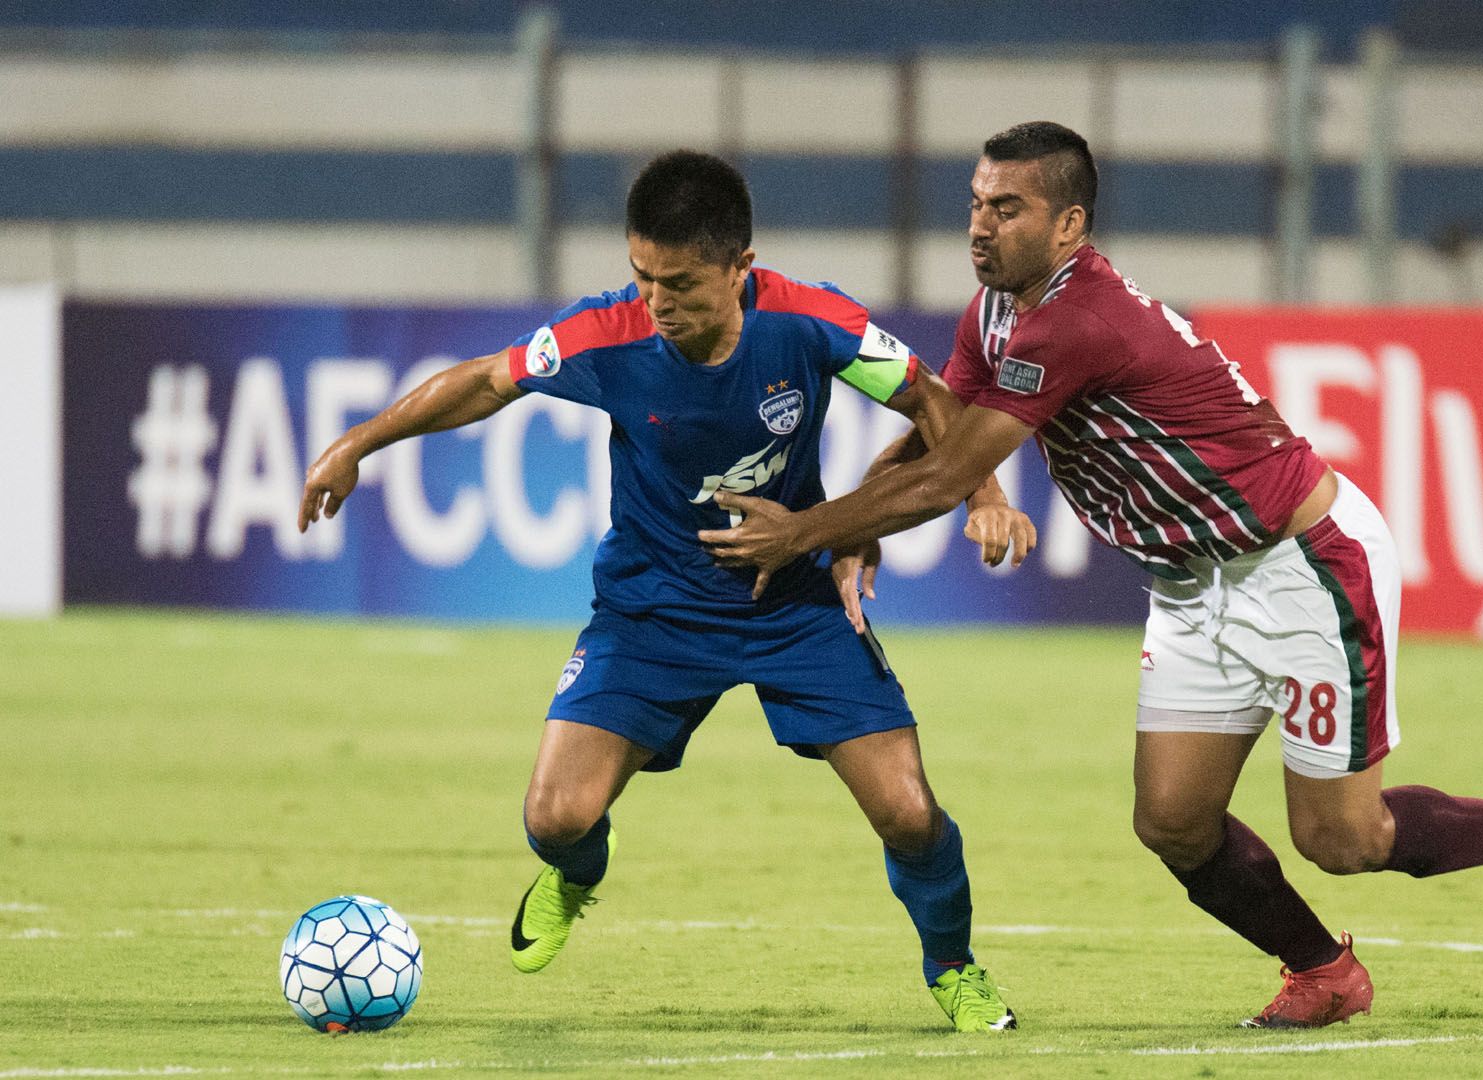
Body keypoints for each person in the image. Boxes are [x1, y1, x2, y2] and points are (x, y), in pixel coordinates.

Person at [700, 121, 1483, 1029]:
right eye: (975, 204)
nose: (980, 227)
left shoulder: (1080, 318)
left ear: (1070, 224)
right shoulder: (993, 308)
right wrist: (863, 519)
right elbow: (943, 429)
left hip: (1303, 566)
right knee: (1174, 822)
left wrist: (803, 531)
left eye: (1007, 208)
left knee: (1343, 840)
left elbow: (953, 477)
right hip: (1192, 589)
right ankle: (1322, 971)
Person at [297, 150, 1030, 1030]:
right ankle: (578, 874)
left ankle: (952, 966)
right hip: (651, 608)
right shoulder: (606, 334)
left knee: (910, 814)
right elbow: (488, 382)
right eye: (643, 277)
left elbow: (931, 401)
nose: (658, 303)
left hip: (790, 602)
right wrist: (356, 445)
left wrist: (983, 492)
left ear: (738, 270)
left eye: (680, 283)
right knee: (556, 815)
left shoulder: (813, 322)